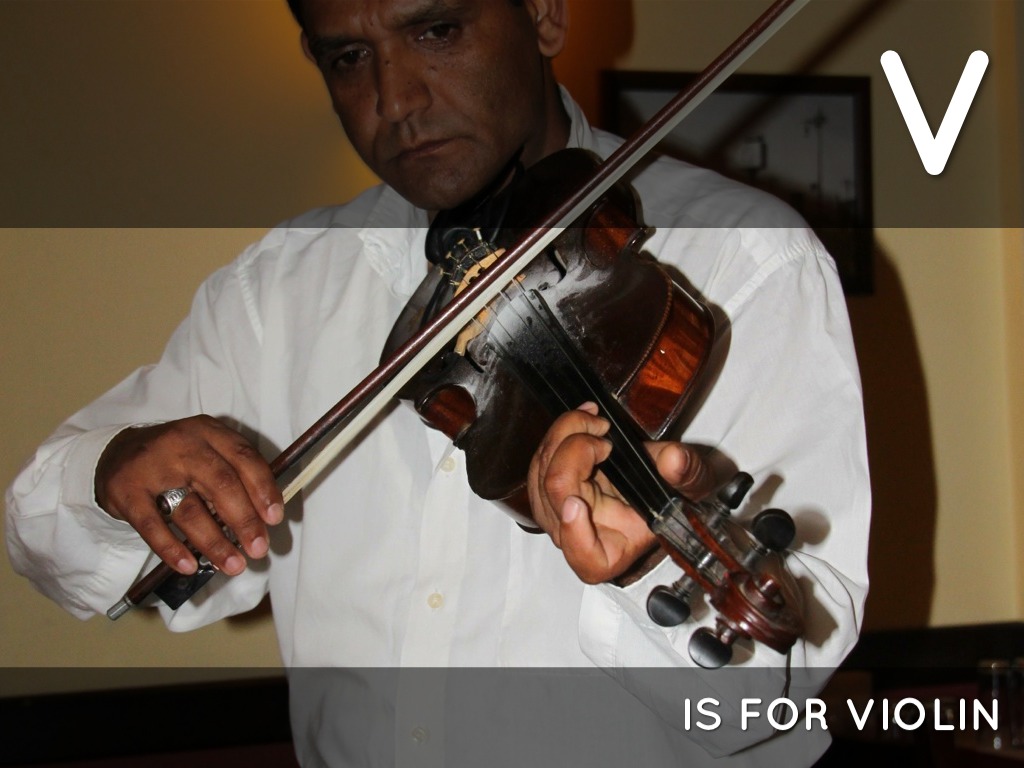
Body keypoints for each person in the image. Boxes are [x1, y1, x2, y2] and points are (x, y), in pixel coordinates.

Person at [6, 0, 870, 765]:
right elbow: (51, 534)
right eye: (350, 56)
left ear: (543, 13)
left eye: (437, 30)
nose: (396, 99)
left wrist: (645, 568)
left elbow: (774, 686)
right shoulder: (277, 291)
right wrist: (113, 473)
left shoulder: (745, 257)